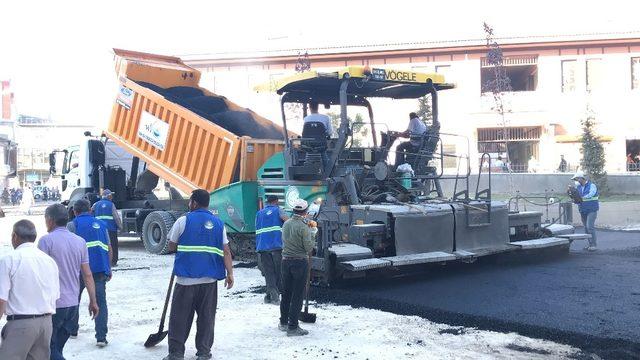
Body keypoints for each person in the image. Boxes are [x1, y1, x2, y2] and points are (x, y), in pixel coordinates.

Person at [164, 189, 234, 360]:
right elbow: (226, 251)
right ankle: (203, 352)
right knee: (206, 318)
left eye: (190, 201)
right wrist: (230, 273)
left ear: (194, 203)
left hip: (186, 280)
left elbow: (171, 246)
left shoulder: (183, 220)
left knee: (179, 318)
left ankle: (176, 353)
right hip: (209, 281)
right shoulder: (218, 224)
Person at [38, 204, 99, 360]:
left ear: (50, 220)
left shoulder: (46, 241)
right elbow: (87, 275)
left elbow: (40, 274)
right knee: (56, 348)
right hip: (72, 305)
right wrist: (93, 301)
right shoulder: (79, 241)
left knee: (49, 350)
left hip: (54, 305)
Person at [0, 220, 60, 360]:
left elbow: (1, 299)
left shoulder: (9, 260)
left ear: (14, 236)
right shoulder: (49, 261)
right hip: (46, 324)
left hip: (20, 325)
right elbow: (55, 295)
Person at [68, 200, 112, 347]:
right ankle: (101, 337)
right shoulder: (102, 225)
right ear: (90, 210)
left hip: (79, 270)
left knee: (74, 299)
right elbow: (109, 248)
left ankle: (72, 331)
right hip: (100, 270)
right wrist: (109, 268)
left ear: (75, 211)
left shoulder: (73, 225)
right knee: (100, 302)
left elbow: (69, 248)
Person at [279, 199, 316, 337]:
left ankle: (283, 322)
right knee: (297, 295)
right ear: (305, 212)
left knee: (286, 293)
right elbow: (308, 248)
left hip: (285, 261)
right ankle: (293, 327)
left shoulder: (286, 223)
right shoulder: (303, 227)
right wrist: (313, 233)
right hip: (299, 262)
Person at [255, 195, 288, 305]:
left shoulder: (259, 213)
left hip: (262, 247)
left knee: (269, 272)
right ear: (276, 201)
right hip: (276, 246)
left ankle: (269, 295)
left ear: (267, 202)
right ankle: (275, 296)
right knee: (278, 272)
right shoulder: (279, 210)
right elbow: (287, 222)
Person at [92, 189, 122, 266]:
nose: (112, 197)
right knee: (113, 245)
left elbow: (91, 215)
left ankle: (102, 261)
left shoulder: (95, 204)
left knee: (101, 245)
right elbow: (116, 217)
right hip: (111, 228)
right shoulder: (111, 205)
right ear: (108, 196)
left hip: (99, 229)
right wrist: (120, 226)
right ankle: (113, 261)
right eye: (111, 195)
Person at [570, 171, 599, 251]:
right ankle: (590, 244)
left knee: (590, 227)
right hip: (583, 209)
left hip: (592, 209)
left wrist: (581, 198)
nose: (575, 181)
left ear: (581, 178)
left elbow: (591, 194)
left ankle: (594, 245)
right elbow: (577, 197)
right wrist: (574, 199)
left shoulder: (592, 186)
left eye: (576, 179)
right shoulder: (578, 187)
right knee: (586, 228)